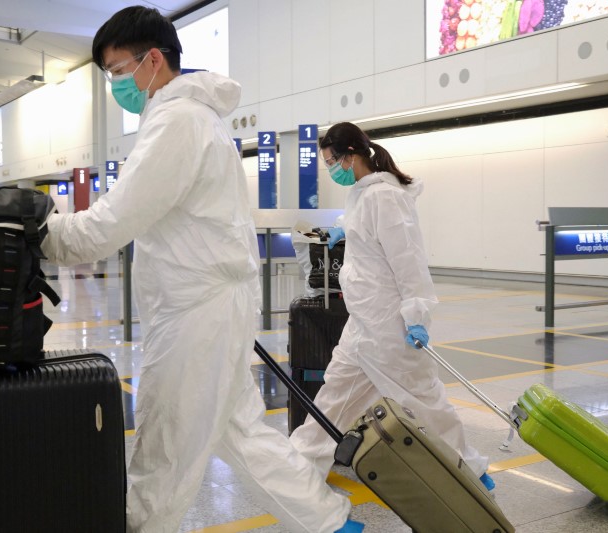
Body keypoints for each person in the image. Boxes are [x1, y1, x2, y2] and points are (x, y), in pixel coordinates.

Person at [40, 7, 362, 533]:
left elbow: (108, 225)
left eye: (118, 69)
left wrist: (38, 234)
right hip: (208, 302)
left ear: (153, 60)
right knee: (239, 430)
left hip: (194, 312)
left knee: (166, 441)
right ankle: (330, 522)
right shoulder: (191, 119)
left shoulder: (178, 123)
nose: (115, 83)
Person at [289, 122, 495, 492]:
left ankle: (468, 469)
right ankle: (299, 472)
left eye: (333, 161)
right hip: (363, 322)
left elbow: (409, 261)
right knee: (336, 393)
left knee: (421, 400)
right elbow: (366, 235)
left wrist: (416, 315)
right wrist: (342, 230)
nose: (332, 169)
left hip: (388, 323)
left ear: (351, 155)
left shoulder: (386, 197)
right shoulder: (364, 194)